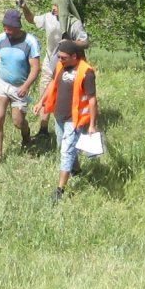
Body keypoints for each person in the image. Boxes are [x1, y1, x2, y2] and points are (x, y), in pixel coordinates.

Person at [20, 0, 89, 138]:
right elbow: (31, 19)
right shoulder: (48, 18)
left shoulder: (74, 23)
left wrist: (70, 43)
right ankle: (43, 130)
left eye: (56, 5)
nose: (53, 8)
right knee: (45, 92)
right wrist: (25, 8)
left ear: (63, 6)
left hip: (68, 67)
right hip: (49, 64)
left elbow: (85, 42)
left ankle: (74, 127)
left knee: (68, 98)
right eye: (52, 4)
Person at [39, 39, 97, 204]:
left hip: (75, 119)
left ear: (74, 56)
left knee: (66, 152)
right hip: (59, 116)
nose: (60, 60)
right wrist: (41, 102)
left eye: (63, 57)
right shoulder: (60, 66)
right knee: (63, 146)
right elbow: (52, 84)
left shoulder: (87, 72)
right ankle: (77, 170)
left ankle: (59, 190)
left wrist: (92, 125)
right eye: (59, 57)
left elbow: (92, 100)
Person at [0, 8, 40, 163]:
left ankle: (26, 136)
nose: (6, 31)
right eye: (4, 27)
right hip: (1, 83)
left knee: (18, 121)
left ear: (18, 27)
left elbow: (35, 67)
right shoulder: (0, 39)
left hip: (19, 87)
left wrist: (26, 85)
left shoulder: (30, 42)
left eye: (9, 28)